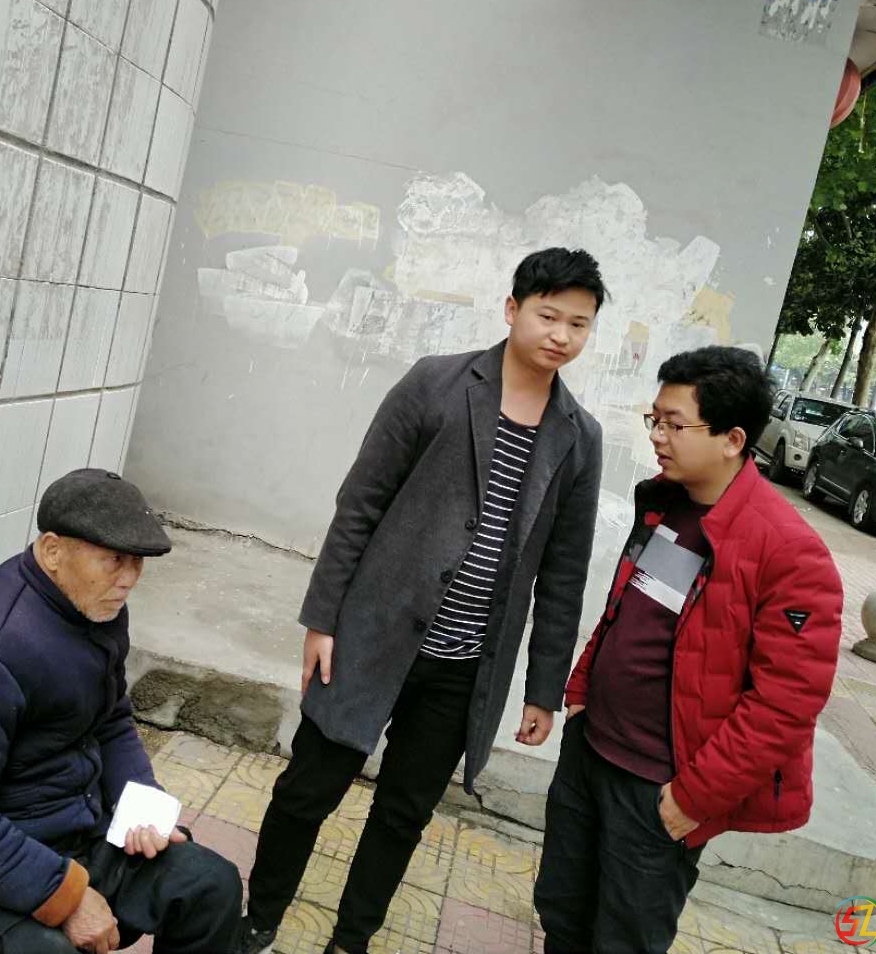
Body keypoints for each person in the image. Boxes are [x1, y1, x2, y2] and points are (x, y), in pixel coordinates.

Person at [234, 248, 608, 954]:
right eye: (548, 315)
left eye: (579, 324)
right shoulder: (436, 383)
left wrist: (544, 689)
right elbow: (361, 502)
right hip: (371, 636)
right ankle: (261, 916)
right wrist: (323, 619)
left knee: (403, 813)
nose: (561, 335)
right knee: (308, 788)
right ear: (512, 309)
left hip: (465, 667)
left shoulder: (579, 437)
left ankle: (351, 939)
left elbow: (565, 571)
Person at [534, 346, 843, 954]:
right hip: (591, 754)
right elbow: (628, 608)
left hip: (659, 790)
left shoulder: (789, 552)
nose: (658, 436)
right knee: (561, 914)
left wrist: (692, 799)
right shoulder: (667, 505)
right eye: (655, 420)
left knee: (623, 940)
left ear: (733, 439)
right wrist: (581, 691)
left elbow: (785, 706)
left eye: (674, 425)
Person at [0, 469, 242, 954]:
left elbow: (110, 718)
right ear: (53, 551)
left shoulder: (96, 606)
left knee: (210, 886)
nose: (129, 579)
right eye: (114, 560)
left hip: (76, 830)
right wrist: (67, 897)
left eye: (137, 561)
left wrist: (143, 806)